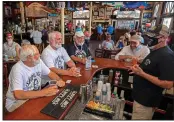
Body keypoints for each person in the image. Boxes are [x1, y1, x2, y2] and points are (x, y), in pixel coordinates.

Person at [127, 25, 174, 120]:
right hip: (141, 98)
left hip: (146, 102)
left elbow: (168, 84)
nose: (149, 39)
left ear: (164, 38)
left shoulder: (167, 56)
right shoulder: (156, 50)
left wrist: (142, 73)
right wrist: (138, 70)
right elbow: (152, 68)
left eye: (153, 37)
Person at [5, 45, 65, 112]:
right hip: (16, 103)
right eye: (36, 54)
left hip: (34, 96)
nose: (39, 55)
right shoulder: (17, 69)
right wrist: (44, 92)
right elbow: (18, 94)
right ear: (28, 57)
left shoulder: (38, 61)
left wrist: (60, 80)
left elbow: (50, 73)